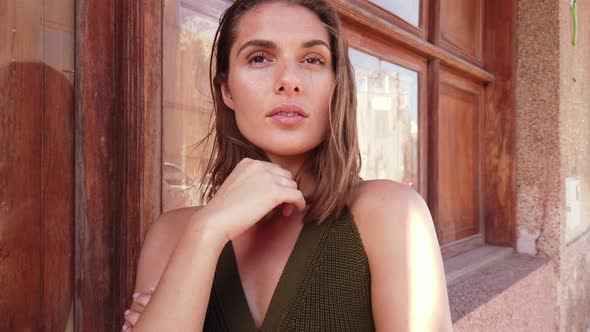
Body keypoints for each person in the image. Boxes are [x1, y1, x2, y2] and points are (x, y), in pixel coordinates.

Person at [122, 0, 453, 331]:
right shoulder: (172, 236)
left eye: (312, 59)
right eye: (260, 58)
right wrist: (208, 231)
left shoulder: (391, 215)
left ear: (336, 86)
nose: (289, 81)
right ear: (227, 91)